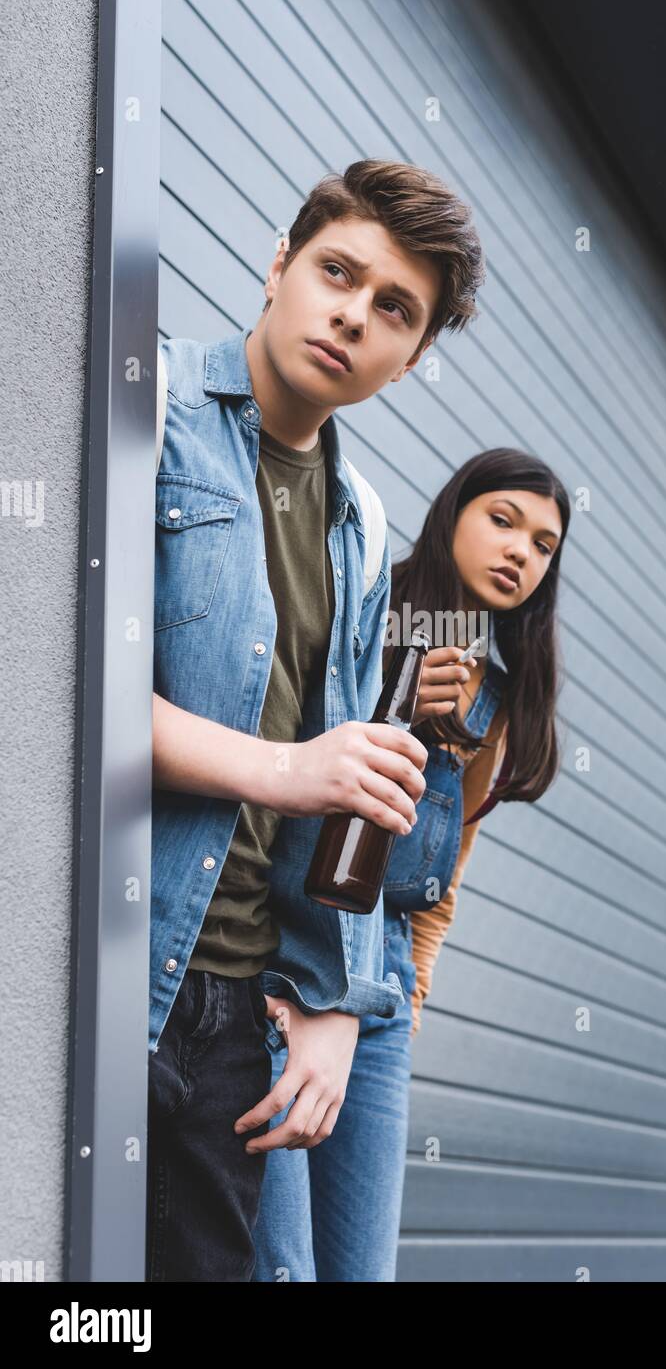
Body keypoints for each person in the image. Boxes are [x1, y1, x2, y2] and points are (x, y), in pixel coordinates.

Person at [148, 158, 485, 1281]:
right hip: (119, 962)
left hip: (241, 1015)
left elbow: (350, 790)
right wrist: (289, 767)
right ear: (279, 264)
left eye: (395, 309)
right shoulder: (145, 408)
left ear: (414, 355)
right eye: (338, 272)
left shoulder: (362, 517)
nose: (355, 315)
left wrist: (332, 1002)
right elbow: (55, 694)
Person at [253, 447, 571, 1280]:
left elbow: (442, 879)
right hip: (292, 958)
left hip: (385, 984)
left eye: (542, 545)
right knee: (282, 1264)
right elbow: (276, 760)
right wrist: (388, 692)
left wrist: (412, 994)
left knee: (361, 1269)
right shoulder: (362, 603)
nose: (519, 553)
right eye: (502, 521)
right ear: (452, 515)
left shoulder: (494, 699)